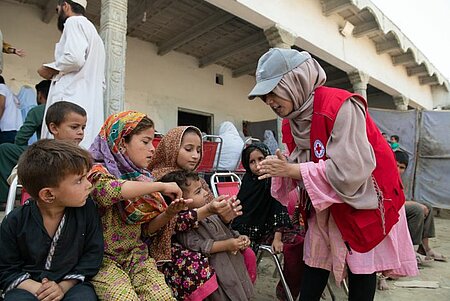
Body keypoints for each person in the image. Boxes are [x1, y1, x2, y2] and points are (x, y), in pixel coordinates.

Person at [248, 48, 418, 301]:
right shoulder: (291, 121)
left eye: (273, 92)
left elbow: (352, 169)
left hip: (365, 200)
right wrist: (282, 167)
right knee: (316, 259)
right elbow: (303, 163)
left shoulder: (340, 105)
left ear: (296, 81)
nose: (270, 102)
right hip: (329, 202)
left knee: (361, 267)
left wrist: (293, 169)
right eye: (265, 97)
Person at [88, 111, 192, 300]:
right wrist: (159, 186)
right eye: (145, 142)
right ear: (121, 142)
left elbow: (146, 231)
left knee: (163, 297)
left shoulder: (143, 177)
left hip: (136, 256)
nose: (152, 149)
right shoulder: (96, 172)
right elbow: (109, 192)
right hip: (102, 260)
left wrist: (169, 213)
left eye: (152, 142)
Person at [149, 125, 247, 300]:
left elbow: (212, 213)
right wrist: (208, 211)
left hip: (203, 235)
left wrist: (226, 216)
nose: (196, 155)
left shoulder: (197, 179)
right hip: (172, 245)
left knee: (247, 254)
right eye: (188, 149)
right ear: (171, 148)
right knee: (206, 263)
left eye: (199, 150)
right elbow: (168, 225)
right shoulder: (159, 182)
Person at [0, 139, 103, 301]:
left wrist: (63, 286)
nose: (89, 185)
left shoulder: (87, 211)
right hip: (27, 286)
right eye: (79, 180)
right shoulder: (14, 222)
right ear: (48, 195)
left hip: (71, 284)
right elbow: (6, 268)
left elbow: (92, 255)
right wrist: (39, 289)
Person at [161, 170, 254, 301]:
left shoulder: (209, 213)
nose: (206, 193)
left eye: (203, 189)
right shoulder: (183, 223)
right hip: (219, 268)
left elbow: (225, 230)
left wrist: (239, 238)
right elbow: (197, 245)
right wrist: (228, 245)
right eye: (198, 191)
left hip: (231, 263)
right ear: (181, 202)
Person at [232, 142, 304, 300]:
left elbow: (279, 207)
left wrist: (278, 237)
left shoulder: (273, 180)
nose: (258, 166)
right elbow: (242, 213)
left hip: (273, 229)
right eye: (252, 162)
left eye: (261, 159)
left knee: (300, 243)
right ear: (246, 163)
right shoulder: (248, 183)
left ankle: (286, 290)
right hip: (249, 231)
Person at [38, 0, 105, 148]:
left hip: (70, 103)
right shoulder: (95, 35)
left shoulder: (73, 22)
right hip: (86, 105)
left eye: (58, 10)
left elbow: (74, 59)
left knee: (59, 155)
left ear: (66, 6)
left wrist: (50, 69)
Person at [0, 80, 52, 205]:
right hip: (63, 150)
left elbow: (21, 138)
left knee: (5, 149)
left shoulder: (39, 110)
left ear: (40, 95)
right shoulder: (69, 107)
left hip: (46, 151)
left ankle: (4, 197)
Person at [395, 150, 447, 263]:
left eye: (402, 167)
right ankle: (411, 252)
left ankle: (425, 248)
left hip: (397, 205)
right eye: (396, 165)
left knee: (427, 206)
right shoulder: (384, 175)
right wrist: (415, 204)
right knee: (417, 209)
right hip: (388, 208)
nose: (398, 169)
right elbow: (392, 201)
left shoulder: (400, 179)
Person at [0, 75, 22, 144]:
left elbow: (1, 106)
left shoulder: (1, 87)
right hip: (16, 129)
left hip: (7, 129)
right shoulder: (11, 93)